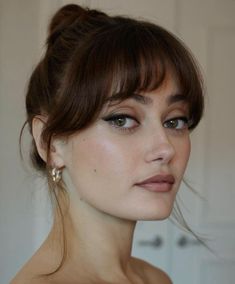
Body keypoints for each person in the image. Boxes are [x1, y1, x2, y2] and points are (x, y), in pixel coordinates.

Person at [11, 4, 204, 284]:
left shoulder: (155, 279)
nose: (166, 148)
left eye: (174, 121)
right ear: (51, 143)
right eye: (123, 119)